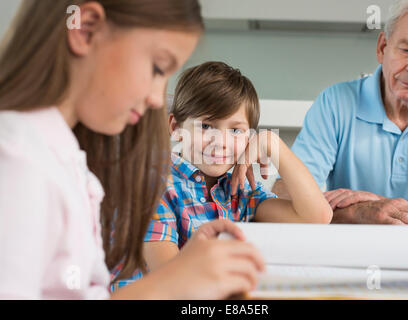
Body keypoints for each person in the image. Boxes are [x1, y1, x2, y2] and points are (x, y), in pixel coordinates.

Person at [0, 0, 265, 300]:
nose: (156, 98)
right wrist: (171, 283)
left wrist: (186, 270)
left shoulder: (66, 159)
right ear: (86, 30)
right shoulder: (16, 158)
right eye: (156, 68)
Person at [111, 61, 332, 284]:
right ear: (176, 128)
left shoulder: (239, 190)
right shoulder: (152, 184)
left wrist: (272, 143)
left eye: (236, 130)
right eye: (206, 126)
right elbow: (172, 279)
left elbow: (317, 217)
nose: (221, 143)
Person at [273, 0, 408, 225]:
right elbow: (284, 194)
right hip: (350, 253)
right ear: (382, 48)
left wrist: (386, 207)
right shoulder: (335, 103)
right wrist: (360, 212)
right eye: (406, 50)